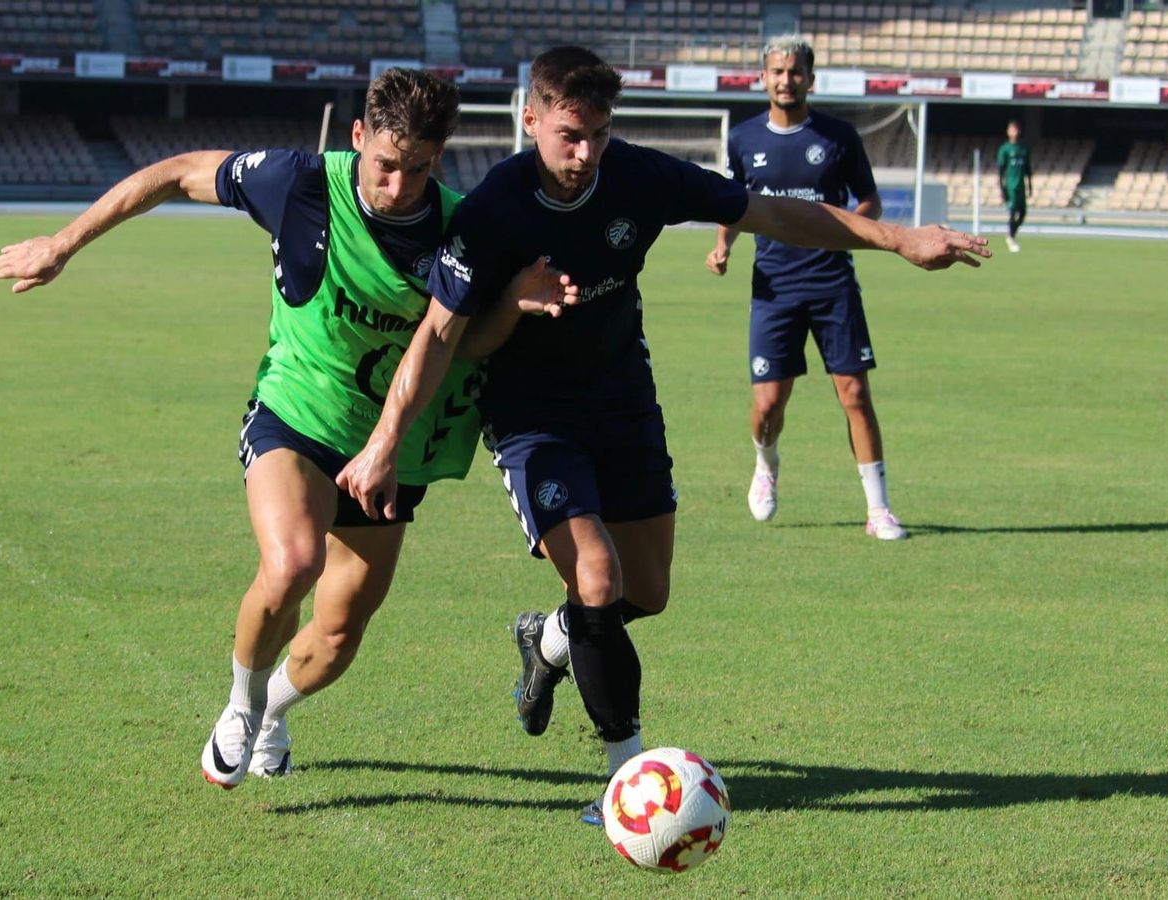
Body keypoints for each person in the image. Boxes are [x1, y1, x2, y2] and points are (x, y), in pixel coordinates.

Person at [335, 46, 988, 825]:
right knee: (600, 580)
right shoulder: (492, 211)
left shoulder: (641, 177)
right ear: (530, 119)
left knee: (647, 592)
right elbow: (451, 340)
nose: (586, 154)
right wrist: (391, 433)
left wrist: (899, 239)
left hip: (624, 403)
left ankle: (547, 642)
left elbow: (774, 213)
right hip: (533, 419)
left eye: (600, 135)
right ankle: (626, 780)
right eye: (570, 135)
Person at [0, 69, 574, 790]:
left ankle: (271, 712)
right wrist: (65, 242)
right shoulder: (298, 184)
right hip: (295, 415)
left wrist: (514, 302)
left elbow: (466, 345)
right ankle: (239, 706)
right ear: (358, 138)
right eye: (387, 165)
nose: (399, 186)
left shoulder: (462, 226)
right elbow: (176, 174)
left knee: (336, 637)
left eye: (419, 168)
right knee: (292, 562)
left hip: (392, 449)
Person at [705, 36, 906, 538]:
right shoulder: (745, 138)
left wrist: (844, 231)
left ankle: (878, 509)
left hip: (832, 281)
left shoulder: (838, 137)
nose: (786, 80)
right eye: (777, 72)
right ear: (764, 77)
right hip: (774, 286)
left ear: (810, 79)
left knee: (855, 394)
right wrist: (723, 245)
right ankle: (766, 463)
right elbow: (735, 201)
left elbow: (870, 202)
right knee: (769, 405)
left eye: (795, 72)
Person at [997, 119, 1033, 252]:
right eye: (1012, 129)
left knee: (1023, 213)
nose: (1015, 132)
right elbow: (1000, 171)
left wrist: (1030, 186)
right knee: (1013, 212)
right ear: (1008, 132)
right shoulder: (1005, 149)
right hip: (1011, 186)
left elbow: (1028, 170)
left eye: (1017, 129)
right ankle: (1011, 238)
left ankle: (1011, 234)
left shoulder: (1023, 149)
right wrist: (1002, 188)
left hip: (1021, 185)